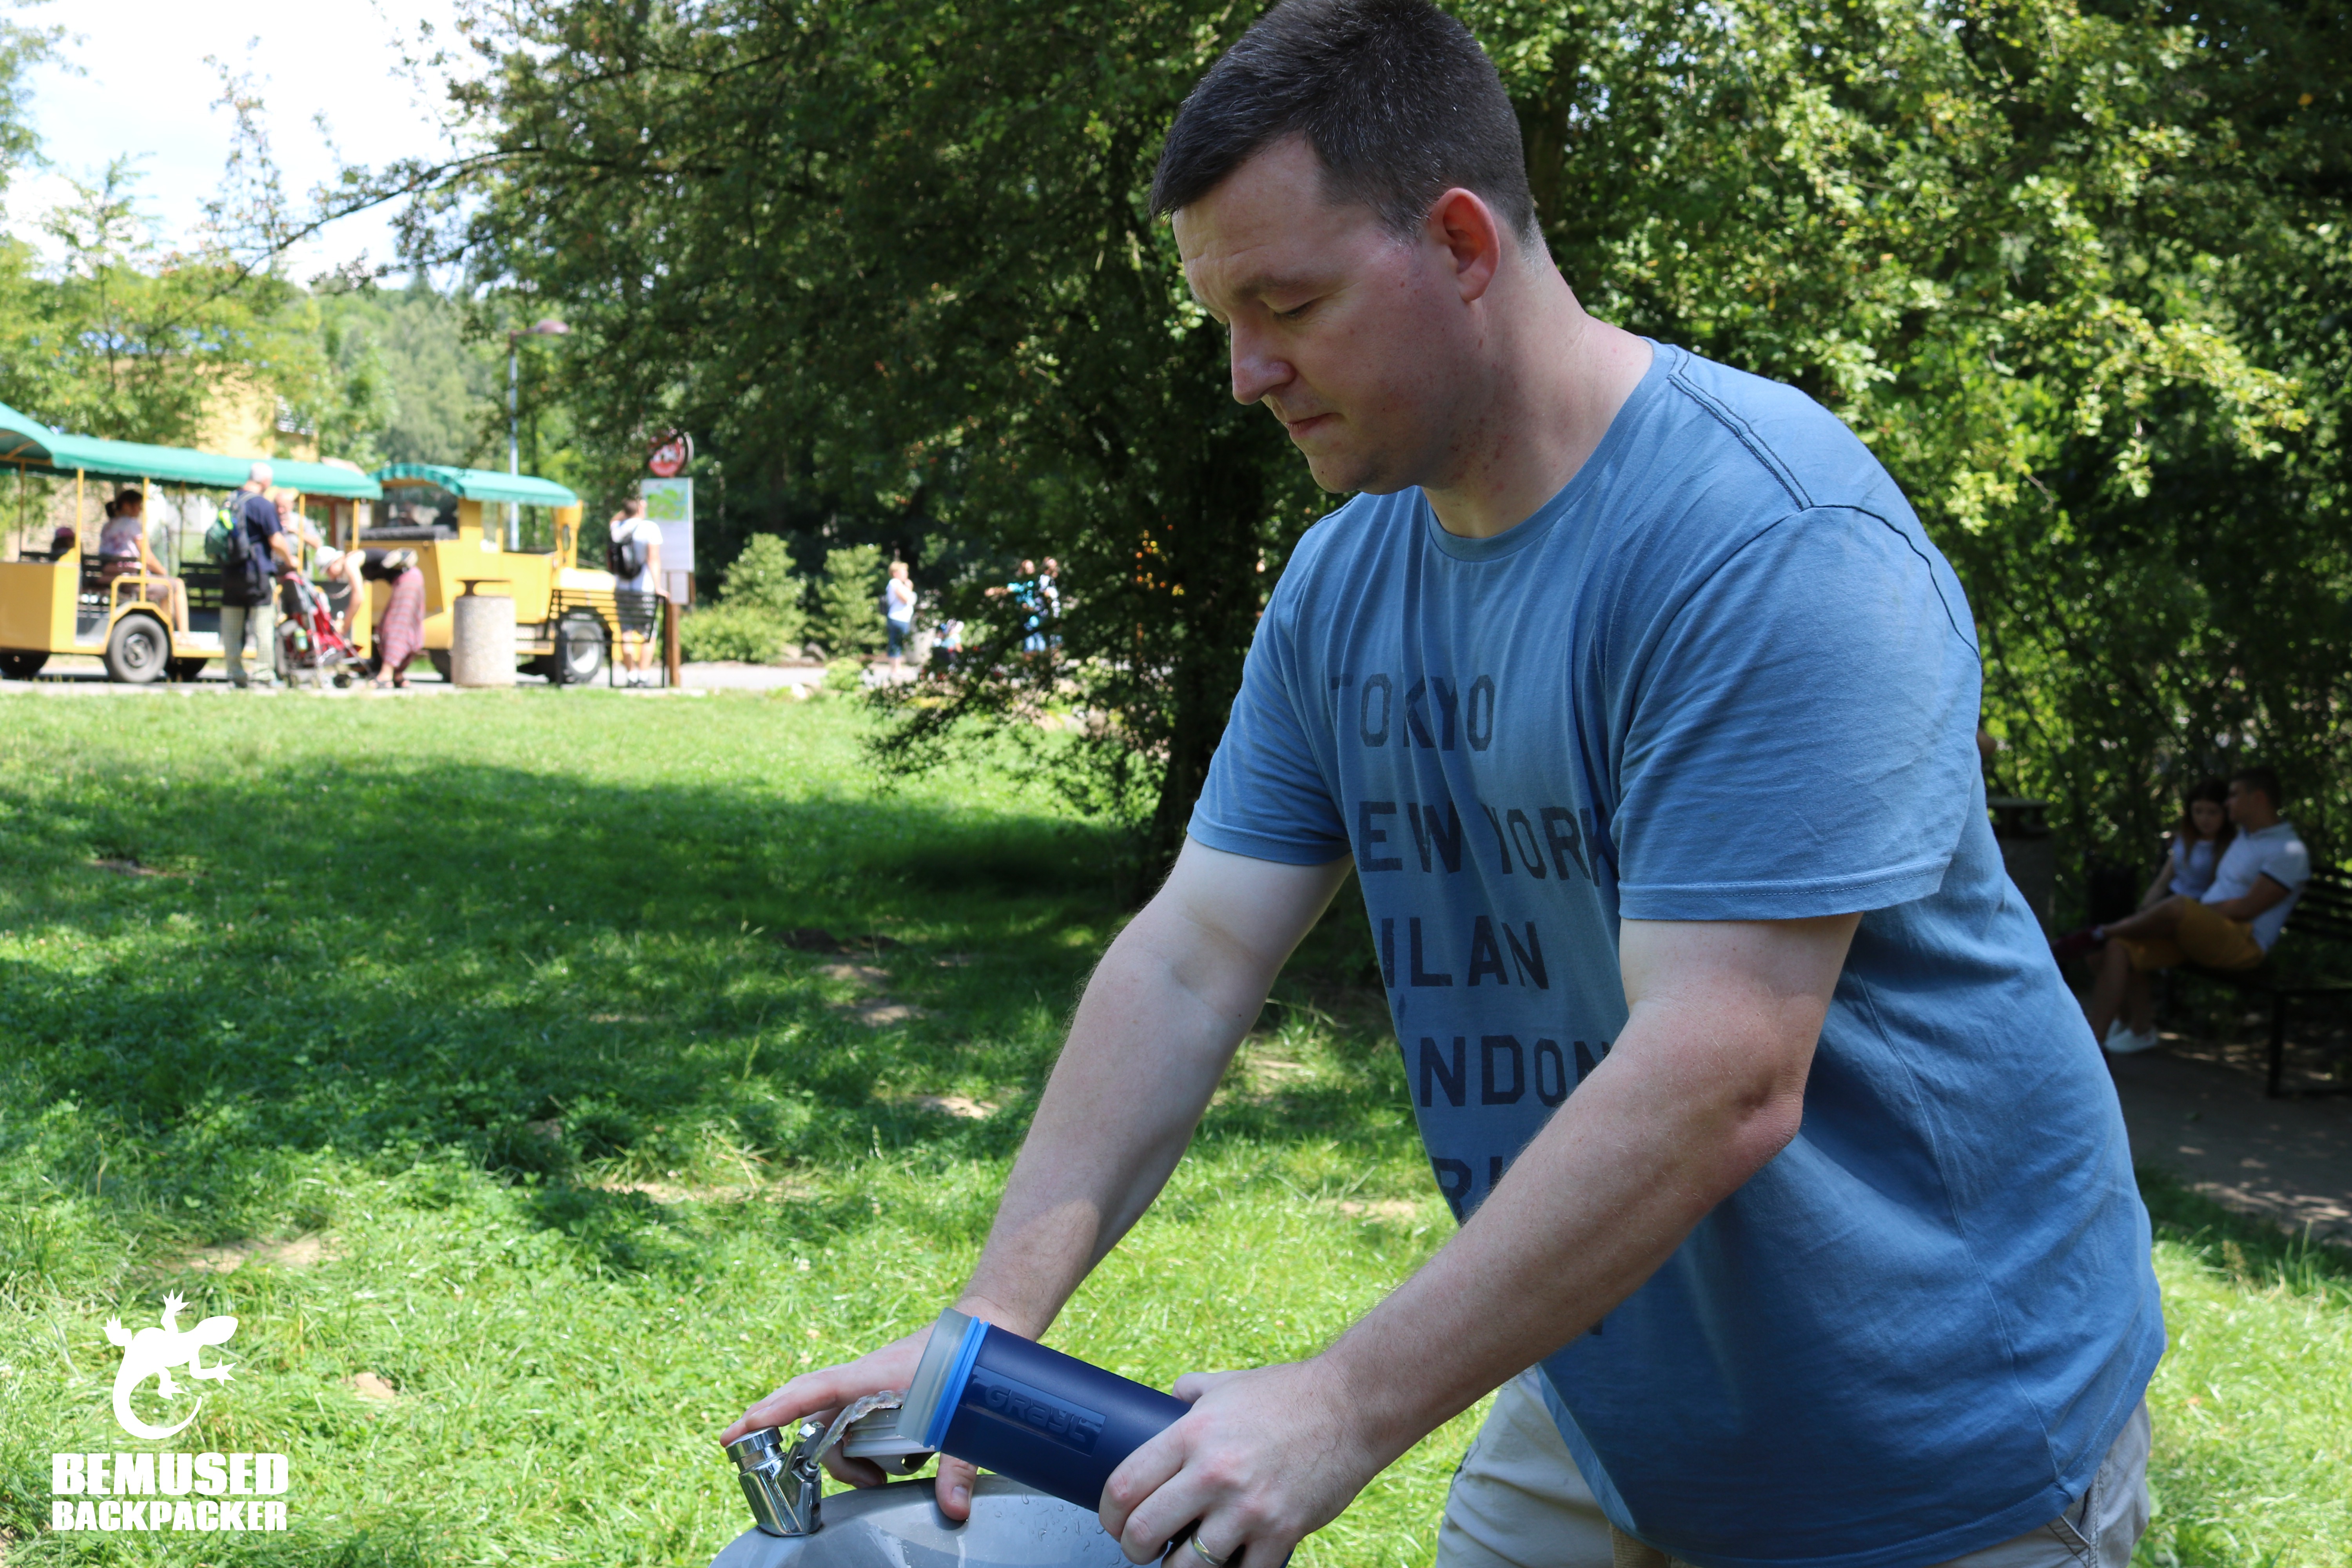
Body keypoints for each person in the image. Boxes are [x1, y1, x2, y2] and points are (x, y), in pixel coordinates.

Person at [724, 6, 2161, 1568]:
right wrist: (981, 1344)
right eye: (1225, 317)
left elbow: (1724, 1068)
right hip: (1610, 1395)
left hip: (1924, 1449)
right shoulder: (1348, 580)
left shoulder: (1769, 543)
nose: (1245, 372)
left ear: (1465, 243)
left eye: (1291, 304)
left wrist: (1341, 1404)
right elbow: (1195, 952)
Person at [2065, 767, 2309, 1055]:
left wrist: (2195, 912)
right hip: (2205, 933)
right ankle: (2097, 1046)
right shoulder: (2248, 837)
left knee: (2178, 906)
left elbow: (2247, 908)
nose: (2227, 803)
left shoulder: (2288, 851)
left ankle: (2098, 932)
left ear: (2258, 799)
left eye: (2233, 795)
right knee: (2117, 948)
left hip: (2244, 943)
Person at [219, 463, 300, 688]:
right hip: (257, 573)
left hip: (230, 572)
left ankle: (235, 673)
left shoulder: (229, 501)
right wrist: (291, 560)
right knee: (264, 623)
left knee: (232, 625)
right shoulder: (263, 505)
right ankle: (264, 674)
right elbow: (275, 540)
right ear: (265, 482)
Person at [96, 489, 191, 633]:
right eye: (139, 505)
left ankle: (166, 630)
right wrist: (163, 573)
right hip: (130, 580)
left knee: (166, 586)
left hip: (110, 577)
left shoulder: (108, 526)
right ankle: (184, 635)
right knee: (177, 585)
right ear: (127, 505)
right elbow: (148, 558)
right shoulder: (133, 525)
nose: (140, 510)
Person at [609, 496, 664, 685]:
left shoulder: (617, 529)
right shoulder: (649, 528)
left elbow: (614, 520)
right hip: (644, 589)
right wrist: (658, 587)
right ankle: (643, 674)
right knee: (649, 633)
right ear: (640, 508)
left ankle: (631, 675)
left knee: (627, 632)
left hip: (621, 588)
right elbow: (653, 560)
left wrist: (629, 510)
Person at [362, 549, 425, 688]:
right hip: (412, 578)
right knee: (404, 625)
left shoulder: (352, 561)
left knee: (396, 625)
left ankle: (386, 675)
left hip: (407, 580)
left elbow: (358, 596)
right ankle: (398, 675)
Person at [884, 560, 918, 677]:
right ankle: (895, 667)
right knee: (896, 642)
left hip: (903, 618)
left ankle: (897, 666)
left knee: (899, 642)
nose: (906, 574)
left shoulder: (899, 584)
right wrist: (909, 588)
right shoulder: (895, 583)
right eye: (903, 571)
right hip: (897, 618)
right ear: (895, 573)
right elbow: (905, 599)